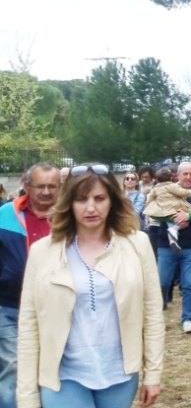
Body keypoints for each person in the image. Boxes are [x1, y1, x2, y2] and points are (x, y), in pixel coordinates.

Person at [16, 164, 163, 408]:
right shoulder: (43, 251)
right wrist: (27, 397)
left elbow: (152, 314)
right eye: (81, 199)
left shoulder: (138, 244)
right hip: (63, 377)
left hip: (120, 376)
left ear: (112, 201)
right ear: (69, 203)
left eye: (99, 198)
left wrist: (153, 374)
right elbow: (29, 326)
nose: (91, 207)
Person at [0, 163, 60, 408]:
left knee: (52, 369)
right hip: (10, 306)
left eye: (52, 186)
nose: (46, 192)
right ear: (26, 186)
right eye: (40, 186)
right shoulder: (4, 215)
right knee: (13, 367)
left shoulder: (72, 217)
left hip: (56, 308)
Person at [151, 162, 191, 333]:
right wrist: (173, 218)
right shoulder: (165, 192)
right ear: (177, 176)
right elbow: (153, 212)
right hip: (166, 245)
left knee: (189, 284)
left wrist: (189, 216)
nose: (188, 177)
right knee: (162, 282)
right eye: (185, 174)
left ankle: (187, 319)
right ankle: (156, 318)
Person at [143, 168, 191, 250]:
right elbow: (181, 192)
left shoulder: (155, 188)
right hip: (172, 209)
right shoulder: (171, 186)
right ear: (171, 177)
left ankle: (173, 240)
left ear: (157, 179)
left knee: (170, 221)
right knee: (185, 220)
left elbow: (149, 197)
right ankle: (173, 232)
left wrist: (148, 204)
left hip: (160, 213)